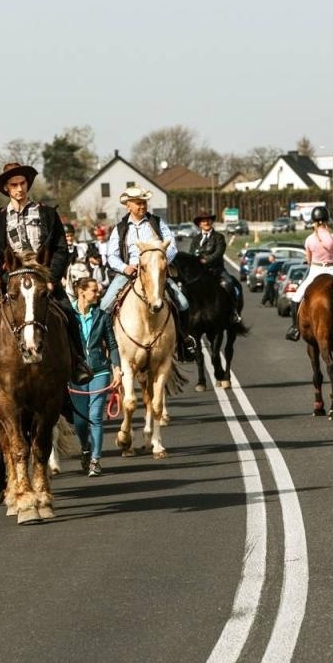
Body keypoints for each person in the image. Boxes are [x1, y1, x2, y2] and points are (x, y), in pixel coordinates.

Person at [0, 162, 91, 384]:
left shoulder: (47, 214)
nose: (20, 188)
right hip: (13, 277)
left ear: (28, 184)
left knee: (68, 311)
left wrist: (52, 279)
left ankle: (78, 362)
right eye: (14, 185)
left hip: (43, 276)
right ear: (6, 189)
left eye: (22, 183)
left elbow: (61, 250)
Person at [102, 187, 197, 360]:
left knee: (182, 303)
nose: (142, 206)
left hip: (156, 273)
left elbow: (172, 247)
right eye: (138, 203)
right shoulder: (120, 229)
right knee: (104, 305)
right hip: (129, 274)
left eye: (144, 202)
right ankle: (104, 345)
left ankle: (184, 341)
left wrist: (159, 263)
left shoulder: (158, 223)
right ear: (128, 206)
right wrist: (125, 268)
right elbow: (111, 256)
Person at [68, 274, 121, 477]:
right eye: (94, 290)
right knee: (80, 421)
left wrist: (117, 367)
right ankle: (85, 449)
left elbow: (112, 344)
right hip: (77, 373)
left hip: (100, 370)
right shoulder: (68, 315)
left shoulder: (102, 315)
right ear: (82, 292)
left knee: (95, 417)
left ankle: (96, 460)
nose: (98, 293)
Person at [286, 205, 333, 342]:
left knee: (296, 298)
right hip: (332, 270)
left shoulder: (309, 240)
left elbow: (309, 261)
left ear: (313, 221)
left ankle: (294, 328)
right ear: (327, 220)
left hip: (316, 270)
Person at [190, 210, 244, 325]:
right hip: (200, 273)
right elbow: (191, 254)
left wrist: (206, 260)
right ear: (199, 224)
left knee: (229, 283)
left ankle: (234, 311)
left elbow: (218, 253)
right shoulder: (195, 240)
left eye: (208, 220)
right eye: (203, 221)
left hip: (216, 271)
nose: (206, 223)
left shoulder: (219, 237)